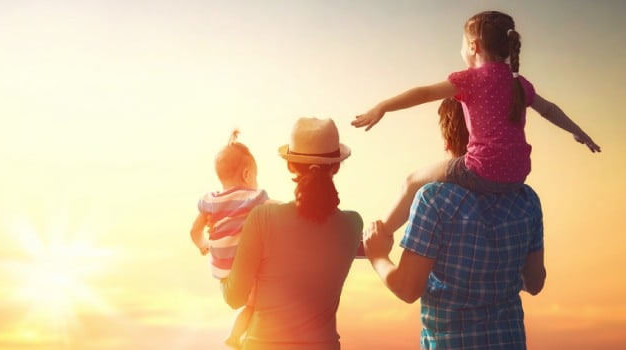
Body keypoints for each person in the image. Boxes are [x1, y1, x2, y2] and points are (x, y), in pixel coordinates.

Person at [351, 10, 601, 237]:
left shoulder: (470, 80)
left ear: (473, 46)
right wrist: (577, 132)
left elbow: (424, 93)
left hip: (481, 169)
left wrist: (382, 106)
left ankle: (379, 235)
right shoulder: (519, 83)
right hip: (517, 174)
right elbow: (549, 110)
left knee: (412, 181)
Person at [362, 96, 546, 349]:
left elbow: (407, 289)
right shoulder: (527, 200)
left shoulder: (434, 199)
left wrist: (377, 256)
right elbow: (535, 283)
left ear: (447, 145)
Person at [220, 117, 363, 350]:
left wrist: (220, 255)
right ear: (336, 166)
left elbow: (234, 298)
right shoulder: (352, 224)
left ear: (290, 165)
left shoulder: (261, 219)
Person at [190, 130, 270, 348]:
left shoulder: (211, 201)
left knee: (250, 305)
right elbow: (277, 209)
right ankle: (236, 337)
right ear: (247, 174)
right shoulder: (253, 198)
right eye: (255, 175)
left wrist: (203, 245)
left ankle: (234, 337)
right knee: (254, 306)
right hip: (245, 270)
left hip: (223, 273)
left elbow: (194, 230)